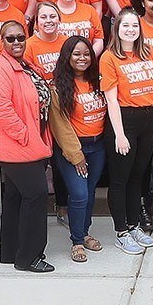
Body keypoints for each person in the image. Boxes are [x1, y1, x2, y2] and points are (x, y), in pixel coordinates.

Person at [0, 19, 86, 273]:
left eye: (20, 38)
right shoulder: (0, 69)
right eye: (10, 39)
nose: (16, 42)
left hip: (29, 142)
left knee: (15, 196)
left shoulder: (25, 65)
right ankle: (29, 257)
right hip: (17, 145)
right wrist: (25, 135)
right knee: (36, 195)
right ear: (1, 41)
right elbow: (3, 109)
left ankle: (10, 251)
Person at [101, 8, 153, 254]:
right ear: (117, 29)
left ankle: (134, 223)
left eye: (134, 26)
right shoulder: (109, 58)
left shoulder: (148, 53)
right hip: (124, 121)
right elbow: (111, 99)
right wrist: (119, 133)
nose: (131, 30)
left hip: (148, 119)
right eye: (125, 25)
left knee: (138, 177)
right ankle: (121, 231)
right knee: (120, 179)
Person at [52, 35, 109, 261]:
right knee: (79, 194)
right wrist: (76, 155)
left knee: (90, 192)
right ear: (67, 57)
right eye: (76, 54)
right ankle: (77, 241)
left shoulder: (98, 81)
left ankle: (84, 232)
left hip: (98, 147)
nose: (82, 58)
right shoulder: (58, 87)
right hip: (74, 149)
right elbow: (59, 125)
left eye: (86, 53)